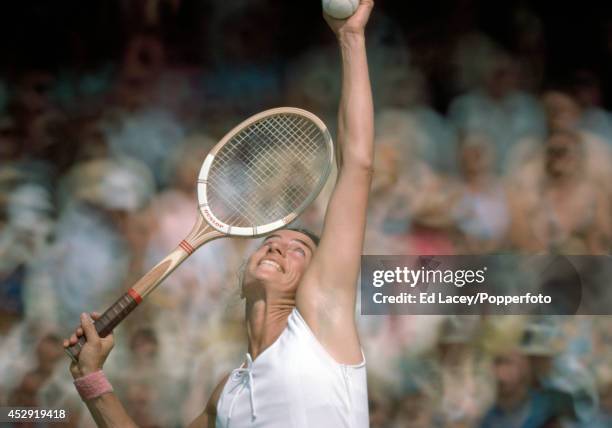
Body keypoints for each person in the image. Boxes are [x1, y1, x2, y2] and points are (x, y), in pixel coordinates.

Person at [63, 2, 375, 427]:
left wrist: (351, 38)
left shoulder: (323, 324)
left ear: (317, 279)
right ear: (242, 274)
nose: (279, 247)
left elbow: (356, 163)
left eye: (299, 248)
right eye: (270, 241)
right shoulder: (225, 397)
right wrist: (92, 379)